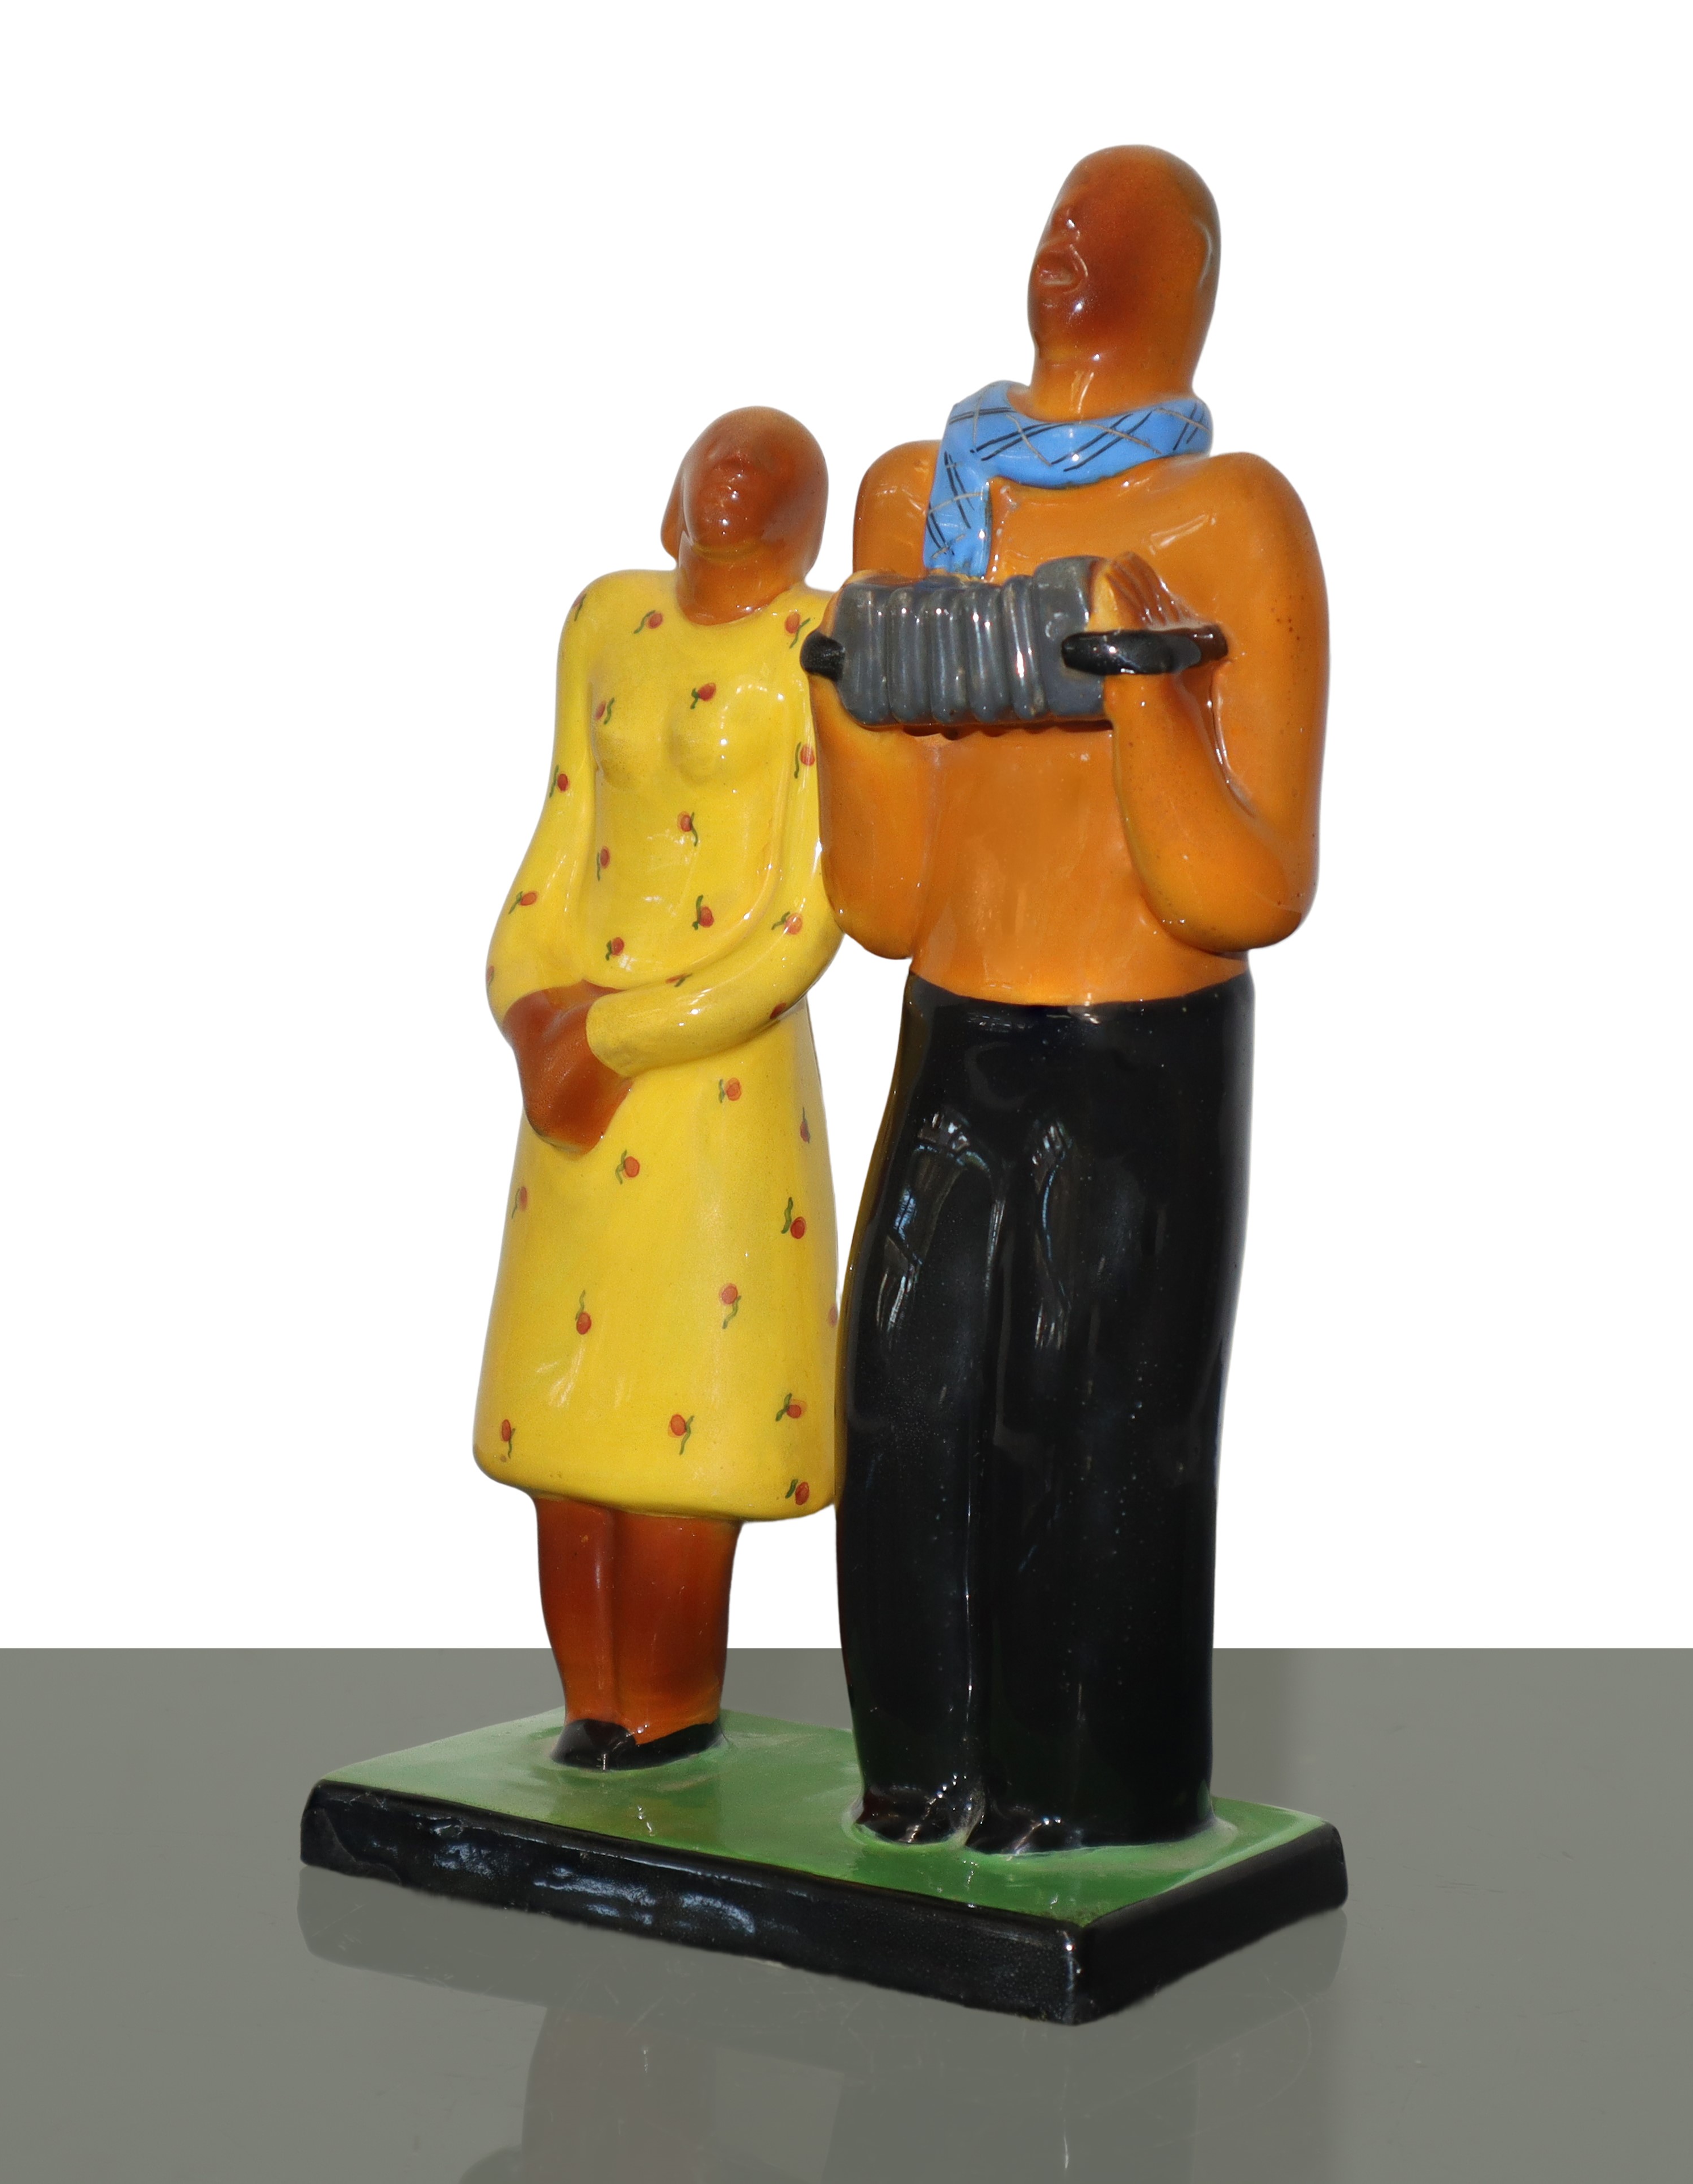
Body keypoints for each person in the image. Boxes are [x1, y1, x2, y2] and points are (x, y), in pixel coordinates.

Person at [809, 148, 1330, 1849]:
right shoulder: (918, 501)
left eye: (1121, 228)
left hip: (1138, 1039)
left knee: (1093, 1419)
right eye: (1060, 218)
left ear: (1195, 282)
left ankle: (1085, 1792)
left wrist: (1148, 694)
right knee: (903, 1395)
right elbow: (884, 903)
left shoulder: (1228, 520)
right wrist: (843, 698)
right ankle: (917, 1768)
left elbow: (1249, 888)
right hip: (959, 1015)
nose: (1073, 248)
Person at [477, 408, 842, 1769]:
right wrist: (527, 1003)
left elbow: (809, 913)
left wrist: (618, 1036)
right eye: (716, 462)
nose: (733, 482)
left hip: (710, 1093)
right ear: (671, 500)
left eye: (767, 472)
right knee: (566, 1423)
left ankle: (667, 1706)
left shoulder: (819, 645)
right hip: (569, 1076)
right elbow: (561, 828)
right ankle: (591, 1697)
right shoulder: (607, 623)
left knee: (688, 1428)